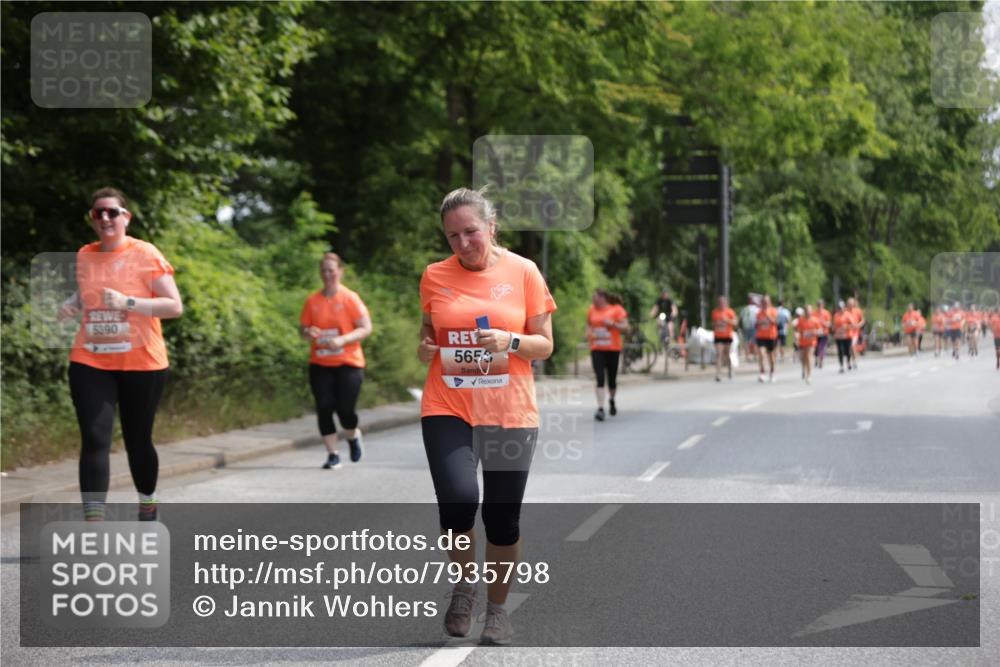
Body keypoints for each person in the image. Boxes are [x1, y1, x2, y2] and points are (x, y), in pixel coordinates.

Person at [417, 187, 556, 645]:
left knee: (502, 520)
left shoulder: (524, 272)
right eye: (452, 236)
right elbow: (428, 332)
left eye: (470, 232)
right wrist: (424, 348)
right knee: (457, 501)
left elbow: (545, 343)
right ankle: (464, 587)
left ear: (491, 226)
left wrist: (509, 341)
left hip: (509, 410)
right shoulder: (435, 275)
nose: (462, 244)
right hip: (448, 404)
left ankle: (498, 610)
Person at [57, 187, 183, 522]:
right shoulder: (86, 254)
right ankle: (94, 524)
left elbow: (174, 306)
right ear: (92, 219)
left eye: (112, 212)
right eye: (99, 213)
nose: (106, 218)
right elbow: (89, 291)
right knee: (95, 437)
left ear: (126, 217)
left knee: (137, 439)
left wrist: (128, 303)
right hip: (92, 358)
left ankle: (147, 499)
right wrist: (72, 303)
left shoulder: (145, 254)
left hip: (142, 361)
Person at [300, 252, 373, 469]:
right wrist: (309, 332)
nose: (327, 274)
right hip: (320, 363)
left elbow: (366, 328)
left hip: (348, 363)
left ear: (340, 272)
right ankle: (333, 454)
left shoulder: (350, 298)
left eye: (331, 270)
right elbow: (303, 330)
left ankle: (352, 436)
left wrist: (343, 339)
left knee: (345, 410)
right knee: (324, 406)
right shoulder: (312, 301)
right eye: (324, 270)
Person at [587, 289, 629, 420]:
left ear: (602, 298)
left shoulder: (616, 309)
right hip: (597, 348)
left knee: (611, 380)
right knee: (599, 378)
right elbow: (588, 324)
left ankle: (611, 399)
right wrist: (589, 333)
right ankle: (600, 408)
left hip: (613, 349)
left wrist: (613, 324)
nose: (593, 300)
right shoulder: (591, 309)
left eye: (595, 297)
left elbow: (626, 327)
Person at [711, 295, 737, 382]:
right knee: (719, 354)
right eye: (720, 302)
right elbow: (713, 323)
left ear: (726, 303)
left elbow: (735, 323)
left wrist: (727, 320)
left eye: (723, 302)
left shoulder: (730, 312)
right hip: (718, 336)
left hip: (727, 336)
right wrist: (716, 324)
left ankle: (730, 370)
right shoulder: (715, 312)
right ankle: (718, 374)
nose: (721, 304)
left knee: (727, 354)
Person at [794, 304, 821, 384]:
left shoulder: (815, 320)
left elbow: (820, 331)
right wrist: (796, 336)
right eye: (806, 311)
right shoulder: (801, 320)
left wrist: (815, 332)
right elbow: (797, 331)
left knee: (809, 356)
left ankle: (809, 375)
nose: (808, 312)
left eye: (809, 311)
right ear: (804, 312)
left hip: (811, 342)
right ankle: (804, 369)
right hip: (802, 342)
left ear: (811, 311)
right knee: (803, 358)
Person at [755, 295, 778, 383]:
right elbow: (756, 325)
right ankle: (762, 372)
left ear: (769, 302)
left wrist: (768, 315)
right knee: (761, 353)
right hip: (761, 336)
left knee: (771, 356)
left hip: (771, 336)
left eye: (766, 301)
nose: (765, 303)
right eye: (763, 301)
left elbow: (775, 322)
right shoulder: (759, 313)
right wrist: (759, 323)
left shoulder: (773, 311)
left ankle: (772, 372)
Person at [832, 300, 855, 373]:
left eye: (841, 308)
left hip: (847, 336)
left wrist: (846, 326)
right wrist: (834, 329)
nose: (840, 309)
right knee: (840, 351)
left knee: (847, 351)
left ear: (844, 308)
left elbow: (853, 325)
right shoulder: (836, 315)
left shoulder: (848, 315)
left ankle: (848, 362)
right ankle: (841, 366)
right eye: (839, 308)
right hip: (839, 337)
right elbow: (834, 326)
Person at [739, 295, 760, 363]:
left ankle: (747, 357)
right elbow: (759, 319)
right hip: (754, 327)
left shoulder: (744, 309)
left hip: (745, 327)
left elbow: (740, 319)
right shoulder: (757, 309)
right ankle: (755, 356)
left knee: (746, 342)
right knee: (755, 342)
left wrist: (740, 327)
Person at [846, 297, 865, 369]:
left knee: (852, 345)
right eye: (849, 304)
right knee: (849, 348)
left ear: (853, 304)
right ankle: (850, 360)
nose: (850, 305)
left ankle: (854, 361)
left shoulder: (857, 311)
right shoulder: (845, 312)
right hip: (847, 333)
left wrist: (858, 325)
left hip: (855, 333)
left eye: (851, 304)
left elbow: (862, 320)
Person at [814, 298, 832, 369]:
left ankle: (821, 361)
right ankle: (816, 359)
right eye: (818, 305)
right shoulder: (814, 313)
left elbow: (829, 324)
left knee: (821, 347)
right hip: (816, 334)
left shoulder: (826, 313)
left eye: (820, 305)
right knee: (815, 347)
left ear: (823, 305)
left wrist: (823, 323)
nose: (819, 306)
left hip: (824, 333)